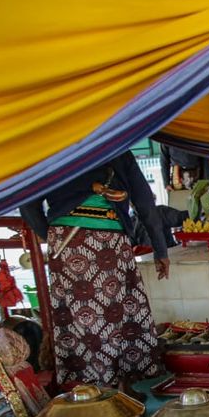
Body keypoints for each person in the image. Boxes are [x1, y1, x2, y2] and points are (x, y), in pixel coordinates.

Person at [19, 152, 170, 394]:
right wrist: (160, 249)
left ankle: (97, 389)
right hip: (109, 238)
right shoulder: (115, 146)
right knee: (120, 314)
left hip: (67, 240)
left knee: (82, 319)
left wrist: (51, 233)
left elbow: (26, 200)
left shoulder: (50, 147)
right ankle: (119, 387)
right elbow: (144, 201)